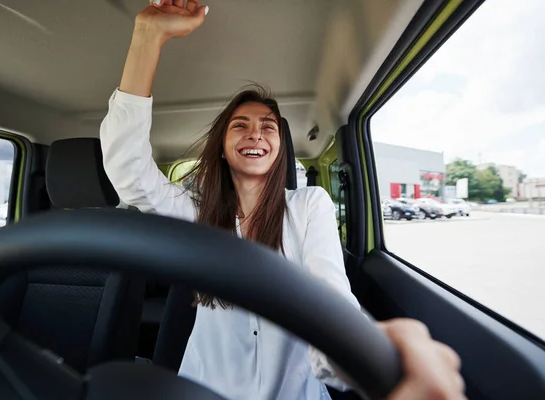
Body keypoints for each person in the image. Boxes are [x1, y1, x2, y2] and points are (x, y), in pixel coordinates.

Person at [99, 1, 466, 399]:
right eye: (240, 126)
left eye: (268, 127)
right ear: (222, 148)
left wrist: (365, 351)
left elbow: (331, 294)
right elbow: (129, 171)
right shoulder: (195, 212)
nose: (255, 134)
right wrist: (147, 35)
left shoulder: (310, 205)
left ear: (279, 148)